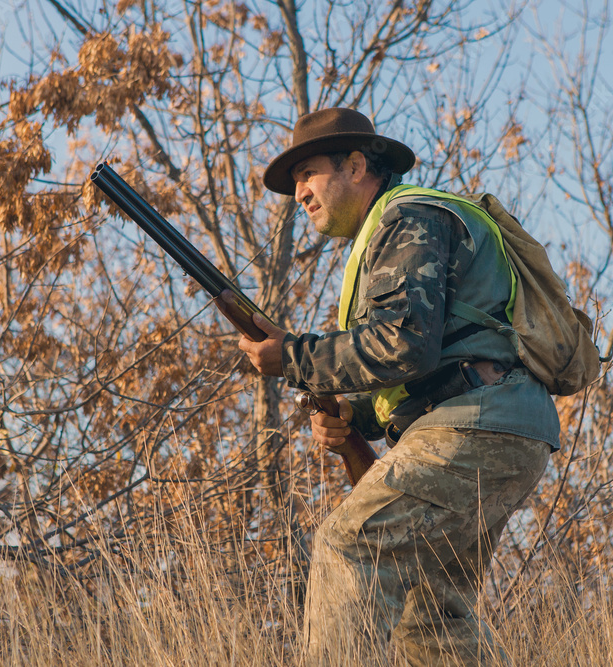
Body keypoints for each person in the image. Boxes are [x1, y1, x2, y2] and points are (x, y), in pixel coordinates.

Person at [236, 108, 559, 665]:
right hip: (498, 425)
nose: (300, 194)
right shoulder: (394, 229)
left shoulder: (405, 219)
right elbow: (424, 356)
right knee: (433, 621)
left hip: (473, 425)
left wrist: (292, 356)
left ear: (357, 165)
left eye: (308, 174)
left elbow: (405, 343)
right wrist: (356, 418)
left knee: (347, 548)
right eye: (294, 185)